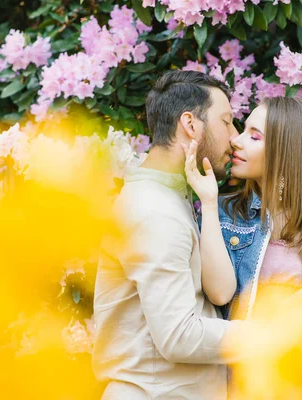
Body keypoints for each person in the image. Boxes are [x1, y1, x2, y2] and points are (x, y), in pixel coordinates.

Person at [92, 70, 240, 400]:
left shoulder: (165, 196)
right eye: (227, 121)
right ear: (190, 124)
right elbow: (178, 335)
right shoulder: (154, 210)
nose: (234, 136)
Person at [184, 96, 302, 321]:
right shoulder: (223, 215)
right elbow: (218, 294)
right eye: (243, 130)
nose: (236, 140)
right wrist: (208, 203)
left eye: (255, 136)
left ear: (287, 151)